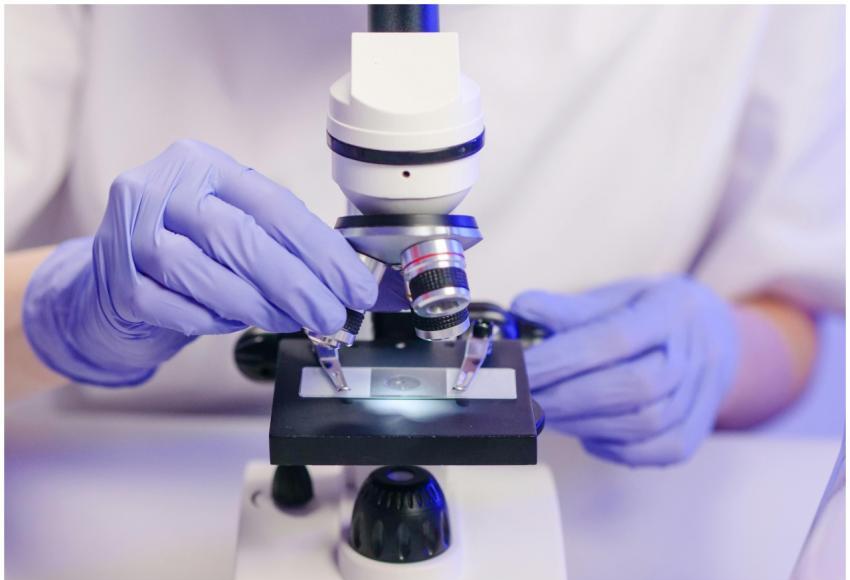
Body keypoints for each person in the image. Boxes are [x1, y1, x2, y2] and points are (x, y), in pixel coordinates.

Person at [6, 5, 843, 466]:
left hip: (595, 523)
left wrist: (714, 354)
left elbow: (786, 302)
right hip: (115, 493)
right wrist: (54, 312)